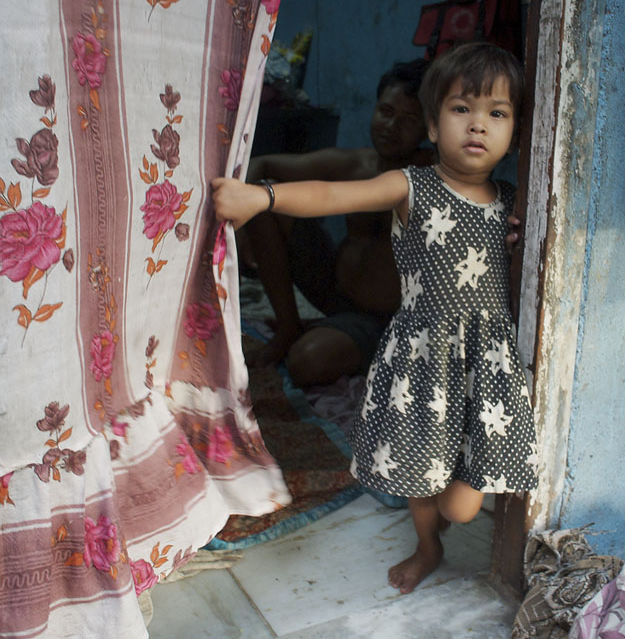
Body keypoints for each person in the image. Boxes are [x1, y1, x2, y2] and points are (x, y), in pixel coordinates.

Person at [213, 42, 539, 594]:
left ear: (514, 133)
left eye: (497, 113)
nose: (478, 125)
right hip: (421, 359)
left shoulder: (515, 201)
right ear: (433, 127)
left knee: (463, 504)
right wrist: (260, 198)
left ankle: (444, 521)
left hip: (483, 365)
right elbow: (332, 194)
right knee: (419, 470)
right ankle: (426, 546)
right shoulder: (412, 186)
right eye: (462, 109)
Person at [240, 59, 434, 386]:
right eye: (386, 111)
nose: (391, 125)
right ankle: (288, 327)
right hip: (335, 290)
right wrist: (243, 227)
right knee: (266, 198)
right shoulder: (357, 163)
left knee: (307, 363)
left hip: (385, 318)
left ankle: (363, 346)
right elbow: (259, 164)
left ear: (429, 128)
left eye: (408, 119)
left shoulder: (433, 176)